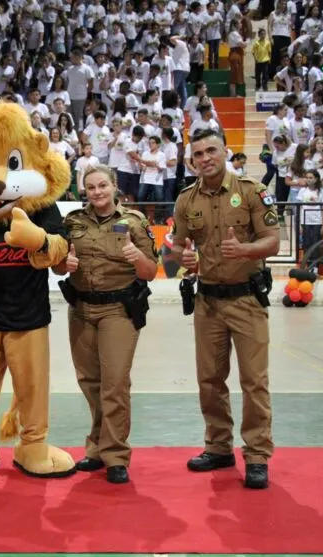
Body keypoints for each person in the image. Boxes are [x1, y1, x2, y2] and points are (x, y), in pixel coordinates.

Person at [171, 129, 280, 490]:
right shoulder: (186, 199)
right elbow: (178, 249)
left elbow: (273, 242)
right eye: (198, 154)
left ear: (225, 152)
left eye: (211, 150)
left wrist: (247, 251)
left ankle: (257, 454)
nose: (205, 158)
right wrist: (183, 258)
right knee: (210, 380)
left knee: (254, 380)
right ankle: (218, 446)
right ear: (192, 162)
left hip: (247, 300)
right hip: (208, 302)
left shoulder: (251, 191)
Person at [54, 164, 158, 484]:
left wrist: (134, 256)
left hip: (118, 311)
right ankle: (97, 447)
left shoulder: (134, 222)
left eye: (103, 185)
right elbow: (58, 267)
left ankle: (115, 454)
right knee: (90, 381)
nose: (97, 192)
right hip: (82, 309)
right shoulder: (72, 222)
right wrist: (63, 263)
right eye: (91, 187)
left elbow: (150, 270)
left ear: (115, 187)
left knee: (114, 382)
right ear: (84, 190)